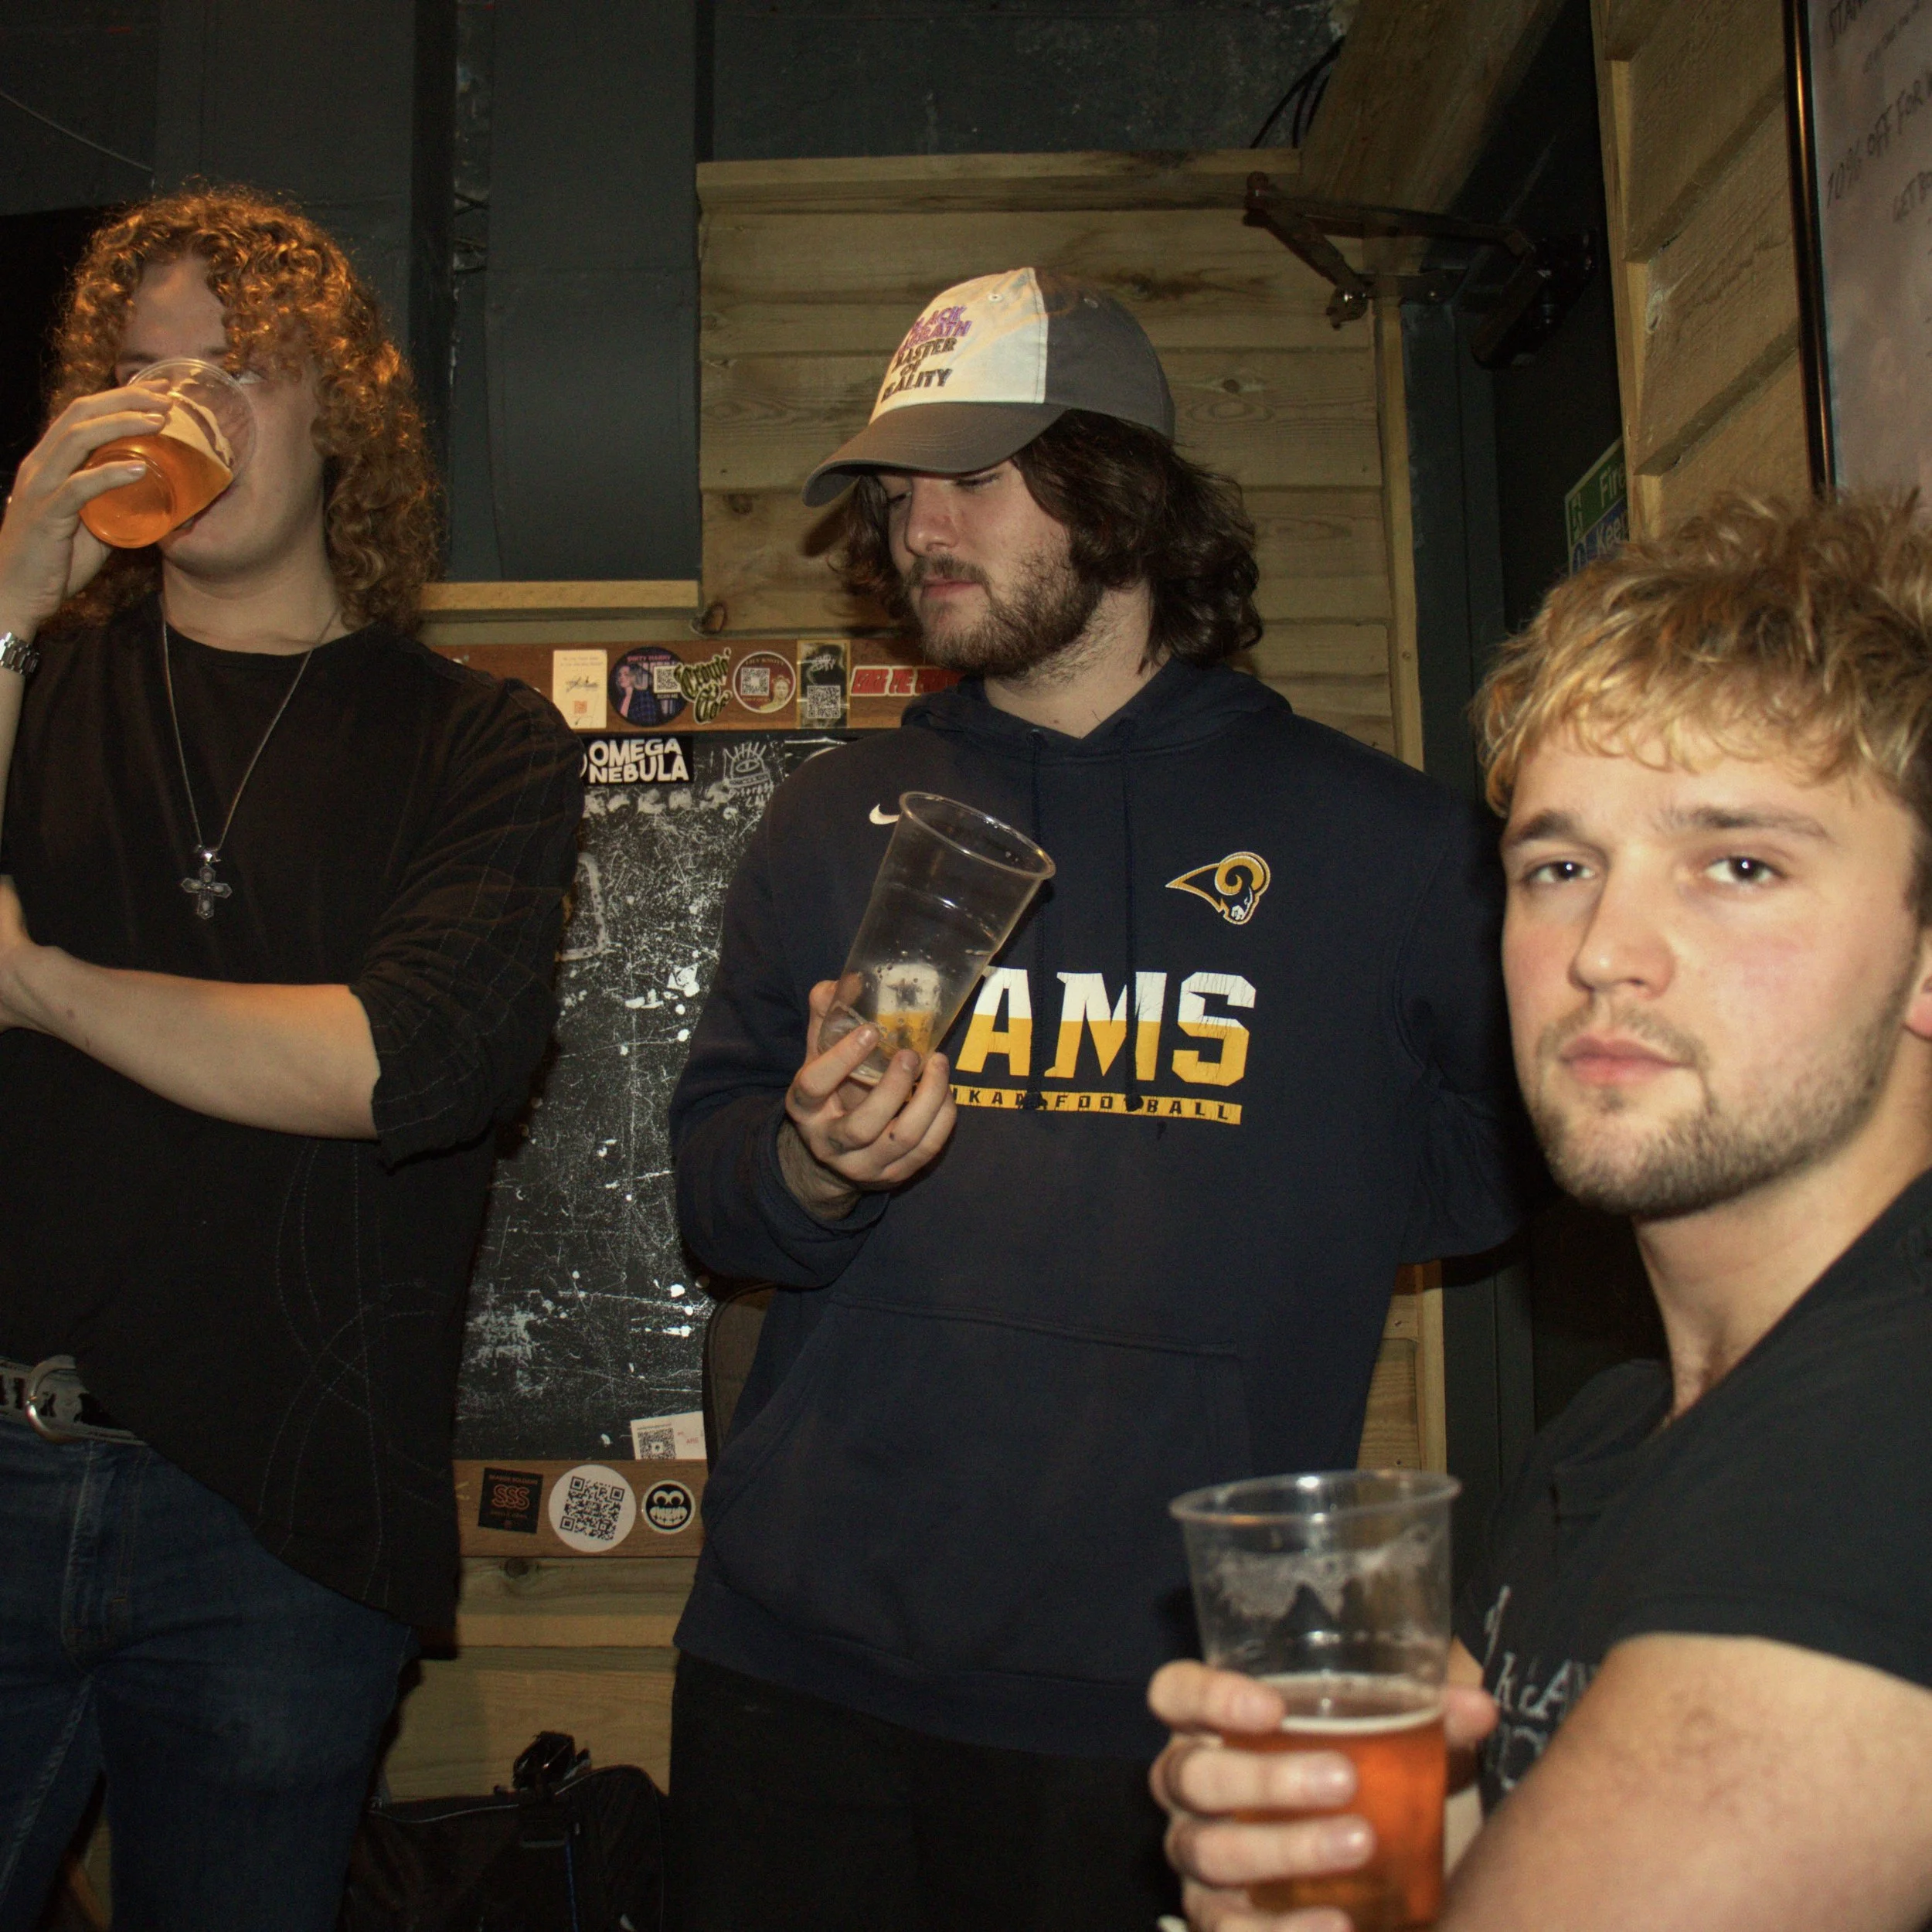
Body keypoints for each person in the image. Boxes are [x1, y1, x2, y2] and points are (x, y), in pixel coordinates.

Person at [667, 265, 1536, 1930]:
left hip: (1163, 1694)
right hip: (794, 1663)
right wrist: (812, 1166)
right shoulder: (826, 818)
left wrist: (1295, 1200)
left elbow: (1500, 1161)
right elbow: (711, 1189)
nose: (923, 524)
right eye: (900, 487)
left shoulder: (1384, 845)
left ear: (1120, 488)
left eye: (974, 477)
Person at [1151, 492, 1932, 1931]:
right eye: (1558, 869)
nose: (1603, 954)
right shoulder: (1617, 1431)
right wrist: (1388, 1852)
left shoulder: (1887, 1440)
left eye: (1740, 864)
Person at [0, 189, 582, 1930]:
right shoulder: (45, 686)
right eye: (143, 371)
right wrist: (8, 596)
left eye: (240, 370)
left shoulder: (472, 737)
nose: (180, 413)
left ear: (345, 406)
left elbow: (410, 1065)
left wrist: (36, 986)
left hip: (280, 1512)